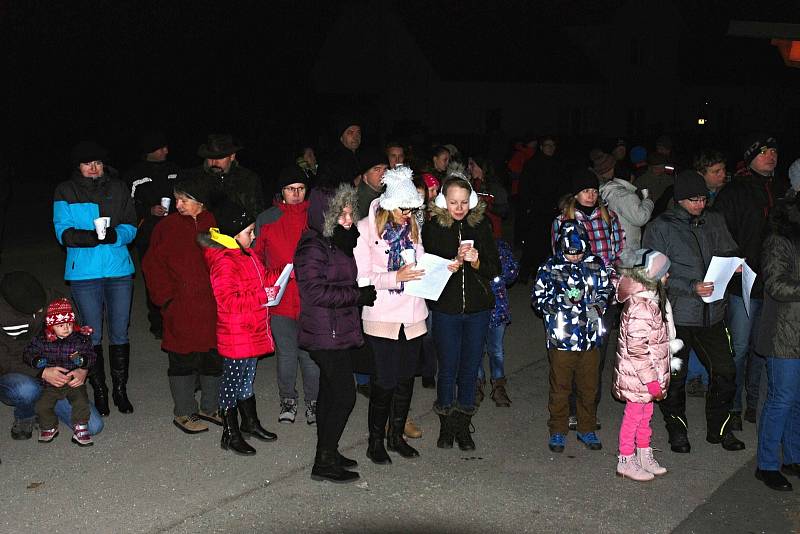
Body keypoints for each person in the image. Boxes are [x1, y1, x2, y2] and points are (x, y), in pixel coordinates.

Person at [642, 170, 746, 453]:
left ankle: (720, 430)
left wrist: (735, 266)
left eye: (704, 198)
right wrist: (690, 286)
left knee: (725, 371)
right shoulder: (660, 227)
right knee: (675, 377)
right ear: (679, 200)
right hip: (677, 316)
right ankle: (677, 430)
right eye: (694, 200)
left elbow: (729, 251)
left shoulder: (714, 220)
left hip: (712, 313)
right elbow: (650, 273)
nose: (700, 204)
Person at [295, 183, 374, 483]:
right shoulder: (312, 245)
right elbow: (314, 291)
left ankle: (327, 452)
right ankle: (323, 461)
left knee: (330, 393)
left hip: (338, 329)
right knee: (344, 396)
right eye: (340, 213)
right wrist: (356, 295)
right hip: (323, 332)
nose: (348, 218)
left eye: (350, 211)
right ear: (325, 215)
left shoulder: (338, 240)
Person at [54, 141, 138, 416]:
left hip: (118, 270)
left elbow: (130, 225)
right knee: (92, 334)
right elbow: (62, 232)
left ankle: (120, 390)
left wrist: (116, 235)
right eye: (88, 163)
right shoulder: (66, 190)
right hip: (84, 273)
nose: (94, 167)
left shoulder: (118, 187)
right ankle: (100, 391)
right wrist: (89, 238)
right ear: (78, 166)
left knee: (119, 332)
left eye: (98, 163)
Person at [354, 166, 428, 463]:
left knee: (405, 379)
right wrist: (395, 276)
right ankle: (375, 441)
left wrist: (436, 270)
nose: (408, 214)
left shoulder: (413, 226)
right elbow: (362, 278)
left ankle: (396, 436)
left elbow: (421, 262)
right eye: (403, 208)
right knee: (384, 381)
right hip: (381, 314)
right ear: (388, 205)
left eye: (412, 209)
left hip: (412, 314)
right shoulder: (364, 229)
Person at [422, 176, 500, 451]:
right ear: (443, 201)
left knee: (469, 369)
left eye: (464, 202)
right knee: (448, 367)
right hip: (446, 309)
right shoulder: (432, 227)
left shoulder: (481, 225)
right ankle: (445, 422)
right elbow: (427, 265)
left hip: (477, 309)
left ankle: (463, 424)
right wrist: (450, 262)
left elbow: (495, 268)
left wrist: (477, 261)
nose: (459, 207)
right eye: (453, 202)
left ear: (473, 201)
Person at [198, 199, 279, 455]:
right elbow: (227, 301)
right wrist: (262, 297)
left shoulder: (247, 254)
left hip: (251, 329)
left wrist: (282, 274)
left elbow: (261, 279)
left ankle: (250, 423)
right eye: (249, 232)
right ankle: (229, 434)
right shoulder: (224, 260)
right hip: (237, 333)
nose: (253, 236)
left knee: (246, 381)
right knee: (231, 384)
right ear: (233, 234)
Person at [714, 134, 784, 429]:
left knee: (762, 347)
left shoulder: (781, 191)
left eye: (774, 151)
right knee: (740, 347)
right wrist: (734, 260)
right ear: (751, 157)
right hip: (742, 283)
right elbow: (719, 230)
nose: (771, 156)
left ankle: (754, 404)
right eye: (764, 151)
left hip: (773, 284)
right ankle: (733, 406)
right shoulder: (734, 191)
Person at [142, 176, 221, 434]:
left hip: (212, 306)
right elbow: (152, 265)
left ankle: (210, 407)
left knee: (212, 356)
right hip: (181, 307)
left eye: (184, 200)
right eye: (177, 199)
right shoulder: (167, 227)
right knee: (182, 359)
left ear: (200, 202)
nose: (178, 205)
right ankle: (184, 411)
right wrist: (166, 299)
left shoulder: (214, 224)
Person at [552, 168, 624, 430]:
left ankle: (588, 410)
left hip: (601, 300)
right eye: (585, 191)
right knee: (573, 353)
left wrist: (612, 281)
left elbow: (619, 253)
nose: (591, 195)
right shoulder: (563, 221)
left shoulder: (609, 217)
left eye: (594, 190)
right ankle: (570, 408)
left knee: (597, 355)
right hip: (573, 302)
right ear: (575, 194)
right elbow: (557, 260)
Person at [533, 221, 611, 453]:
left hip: (590, 339)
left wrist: (597, 306)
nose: (574, 257)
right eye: (569, 252)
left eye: (578, 252)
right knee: (561, 388)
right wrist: (560, 304)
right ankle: (558, 430)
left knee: (589, 387)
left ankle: (587, 428)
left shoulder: (596, 265)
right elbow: (538, 299)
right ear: (561, 248)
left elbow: (607, 291)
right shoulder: (550, 268)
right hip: (562, 339)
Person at [0, 272, 104, 442]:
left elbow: (81, 339)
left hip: (58, 376)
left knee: (94, 426)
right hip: (16, 371)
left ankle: (45, 404)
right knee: (27, 390)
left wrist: (82, 369)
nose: (42, 311)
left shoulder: (56, 301)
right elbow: (3, 359)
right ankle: (26, 415)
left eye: (42, 306)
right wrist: (41, 372)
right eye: (35, 309)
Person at [253, 166, 318, 425]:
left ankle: (313, 402)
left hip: (310, 299)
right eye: (290, 189)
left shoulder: (314, 217)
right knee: (287, 353)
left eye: (300, 189)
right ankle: (287, 399)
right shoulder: (267, 218)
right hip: (280, 297)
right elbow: (256, 258)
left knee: (310, 354)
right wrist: (269, 281)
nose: (296, 194)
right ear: (281, 192)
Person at [613, 249, 680, 481]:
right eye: (664, 271)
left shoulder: (652, 299)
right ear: (651, 276)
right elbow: (638, 349)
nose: (668, 274)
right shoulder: (641, 307)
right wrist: (651, 380)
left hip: (647, 374)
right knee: (634, 415)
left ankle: (643, 453)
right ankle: (626, 458)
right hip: (639, 375)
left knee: (646, 414)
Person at [753, 194, 800, 491]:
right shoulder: (779, 239)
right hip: (784, 332)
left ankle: (793, 458)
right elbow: (776, 284)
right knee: (781, 399)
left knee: (797, 401)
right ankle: (767, 464)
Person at [123, 131, 179, 339]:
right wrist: (148, 211)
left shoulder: (174, 170)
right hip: (148, 234)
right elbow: (127, 206)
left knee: (177, 277)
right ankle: (158, 324)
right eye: (160, 147)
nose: (166, 151)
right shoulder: (134, 174)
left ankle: (176, 320)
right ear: (149, 151)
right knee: (154, 279)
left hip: (175, 233)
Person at [23, 298, 96, 446]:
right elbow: (28, 353)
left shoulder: (80, 339)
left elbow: (91, 355)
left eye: (69, 324)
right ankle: (49, 426)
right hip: (51, 384)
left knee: (81, 402)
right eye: (61, 325)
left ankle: (80, 427)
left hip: (72, 381)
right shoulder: (42, 340)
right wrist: (36, 361)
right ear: (50, 327)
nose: (66, 328)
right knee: (42, 405)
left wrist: (83, 363)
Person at [476, 238, 518, 407]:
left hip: (497, 309)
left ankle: (498, 386)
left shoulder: (500, 248)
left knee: (496, 350)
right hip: (475, 309)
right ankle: (476, 383)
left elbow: (511, 273)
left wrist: (499, 264)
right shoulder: (467, 247)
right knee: (476, 349)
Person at [518, 135, 566, 281]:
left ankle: (542, 273)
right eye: (547, 145)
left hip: (552, 210)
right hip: (536, 210)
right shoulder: (532, 164)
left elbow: (562, 187)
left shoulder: (558, 164)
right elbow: (525, 187)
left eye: (553, 145)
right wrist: (528, 207)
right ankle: (524, 272)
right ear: (541, 147)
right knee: (532, 242)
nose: (550, 148)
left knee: (548, 244)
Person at [184, 134, 265, 216]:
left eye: (220, 158)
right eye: (210, 158)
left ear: (232, 156)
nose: (214, 162)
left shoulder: (248, 179)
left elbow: (257, 213)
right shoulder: (193, 177)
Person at [593, 151, 653, 250]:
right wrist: (648, 200)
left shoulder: (608, 189)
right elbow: (641, 218)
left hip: (613, 246)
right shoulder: (624, 195)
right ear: (631, 176)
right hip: (625, 250)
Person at [317, 118, 362, 188]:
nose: (356, 136)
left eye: (358, 132)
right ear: (341, 137)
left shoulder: (362, 157)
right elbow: (324, 188)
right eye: (350, 132)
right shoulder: (332, 160)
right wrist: (352, 184)